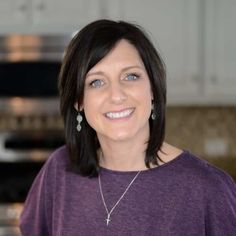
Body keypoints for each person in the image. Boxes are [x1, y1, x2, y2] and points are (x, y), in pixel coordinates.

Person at [20, 19, 236, 236]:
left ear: (152, 88)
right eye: (96, 82)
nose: (116, 95)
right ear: (79, 101)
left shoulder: (207, 188)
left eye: (130, 76)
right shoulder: (60, 170)